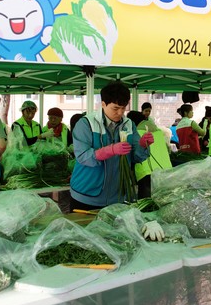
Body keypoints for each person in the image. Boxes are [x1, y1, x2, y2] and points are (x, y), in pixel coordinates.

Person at [69, 80, 154, 210]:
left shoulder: (129, 124)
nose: (120, 113)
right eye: (115, 108)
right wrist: (110, 150)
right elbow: (82, 156)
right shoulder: (86, 123)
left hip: (118, 196)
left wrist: (143, 145)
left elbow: (136, 157)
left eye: (123, 108)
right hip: (87, 195)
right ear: (103, 104)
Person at [128, 110, 172, 199]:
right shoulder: (159, 132)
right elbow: (168, 150)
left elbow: (134, 155)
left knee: (147, 205)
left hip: (147, 173)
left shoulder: (137, 134)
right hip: (166, 171)